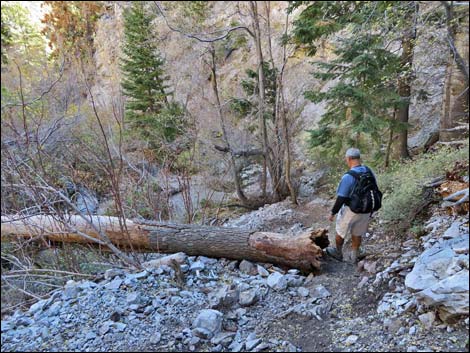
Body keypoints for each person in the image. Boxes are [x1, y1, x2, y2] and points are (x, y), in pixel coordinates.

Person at [326, 148, 378, 263]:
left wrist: (333, 213)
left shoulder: (348, 176)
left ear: (348, 159)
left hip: (351, 209)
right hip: (366, 209)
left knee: (340, 230)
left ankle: (338, 253)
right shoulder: (369, 171)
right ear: (359, 158)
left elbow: (341, 198)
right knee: (357, 232)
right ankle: (354, 256)